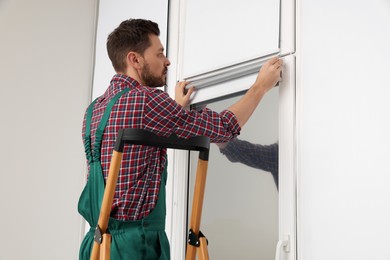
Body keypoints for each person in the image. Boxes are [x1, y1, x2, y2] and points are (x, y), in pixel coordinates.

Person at [78, 18, 282, 260]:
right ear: (135, 59)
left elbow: (137, 147)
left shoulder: (94, 110)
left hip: (96, 245)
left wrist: (176, 111)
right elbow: (224, 128)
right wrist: (260, 86)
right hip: (135, 247)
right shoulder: (146, 100)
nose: (167, 60)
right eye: (160, 53)